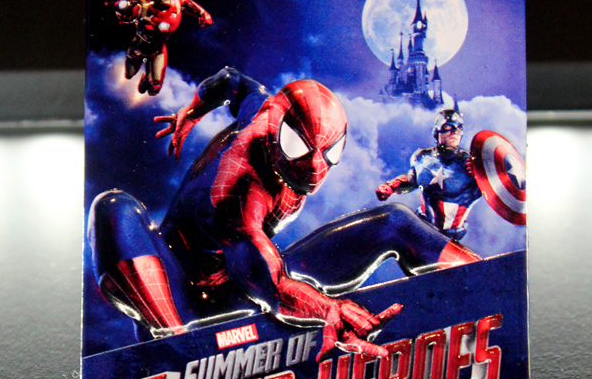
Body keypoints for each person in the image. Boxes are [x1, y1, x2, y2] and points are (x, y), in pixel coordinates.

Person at [89, 70, 478, 360]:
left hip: (247, 281)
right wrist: (328, 309)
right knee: (113, 206)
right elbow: (268, 284)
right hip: (185, 295)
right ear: (276, 132)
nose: (315, 167)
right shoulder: (239, 183)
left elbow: (229, 81)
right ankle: (170, 340)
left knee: (396, 222)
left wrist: (192, 110)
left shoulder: (263, 106)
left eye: (329, 152)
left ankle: (481, 273)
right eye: (299, 147)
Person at [376, 106, 482, 242]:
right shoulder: (422, 157)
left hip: (448, 239)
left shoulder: (472, 164)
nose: (454, 132)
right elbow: (412, 181)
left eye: (458, 128)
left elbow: (497, 189)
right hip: (420, 228)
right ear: (437, 131)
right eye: (448, 127)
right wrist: (391, 187)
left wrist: (483, 174)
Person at [108, 0, 212, 95]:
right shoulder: (144, 5)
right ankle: (143, 77)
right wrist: (122, 7)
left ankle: (147, 79)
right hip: (140, 45)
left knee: (155, 88)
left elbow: (190, 4)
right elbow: (128, 17)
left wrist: (203, 13)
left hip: (158, 49)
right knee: (129, 74)